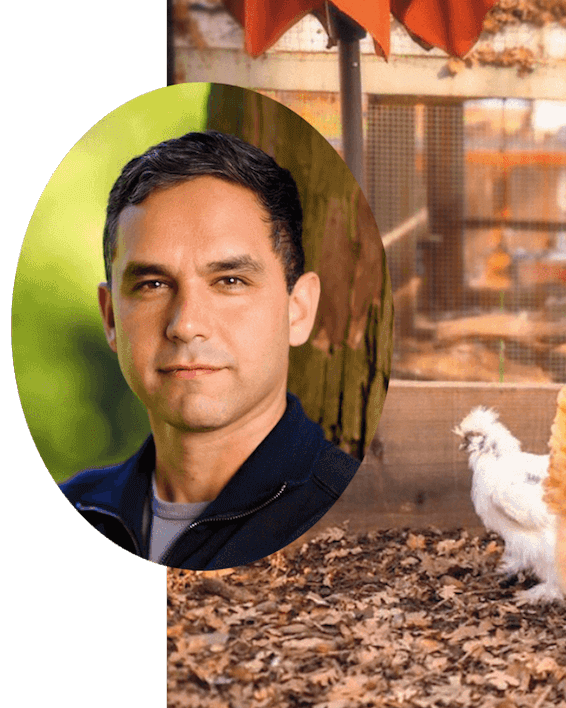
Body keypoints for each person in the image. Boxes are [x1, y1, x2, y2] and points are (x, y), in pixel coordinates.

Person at [61, 131, 359, 569]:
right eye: (153, 284)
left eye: (230, 281)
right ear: (110, 318)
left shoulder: (354, 521)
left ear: (298, 310)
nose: (186, 325)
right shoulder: (79, 505)